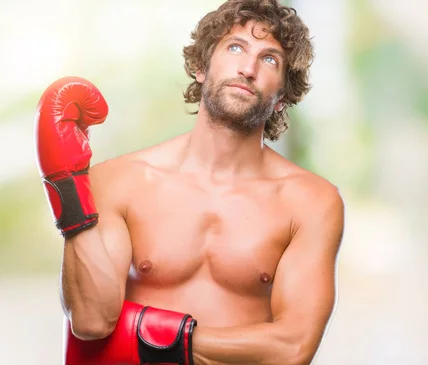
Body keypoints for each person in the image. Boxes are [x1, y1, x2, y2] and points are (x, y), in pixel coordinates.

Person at [33, 0, 345, 364]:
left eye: (270, 59)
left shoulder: (311, 202)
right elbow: (90, 320)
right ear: (201, 67)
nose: (248, 68)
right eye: (235, 47)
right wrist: (67, 188)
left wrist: (149, 338)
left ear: (282, 98)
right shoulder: (119, 182)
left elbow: (293, 349)